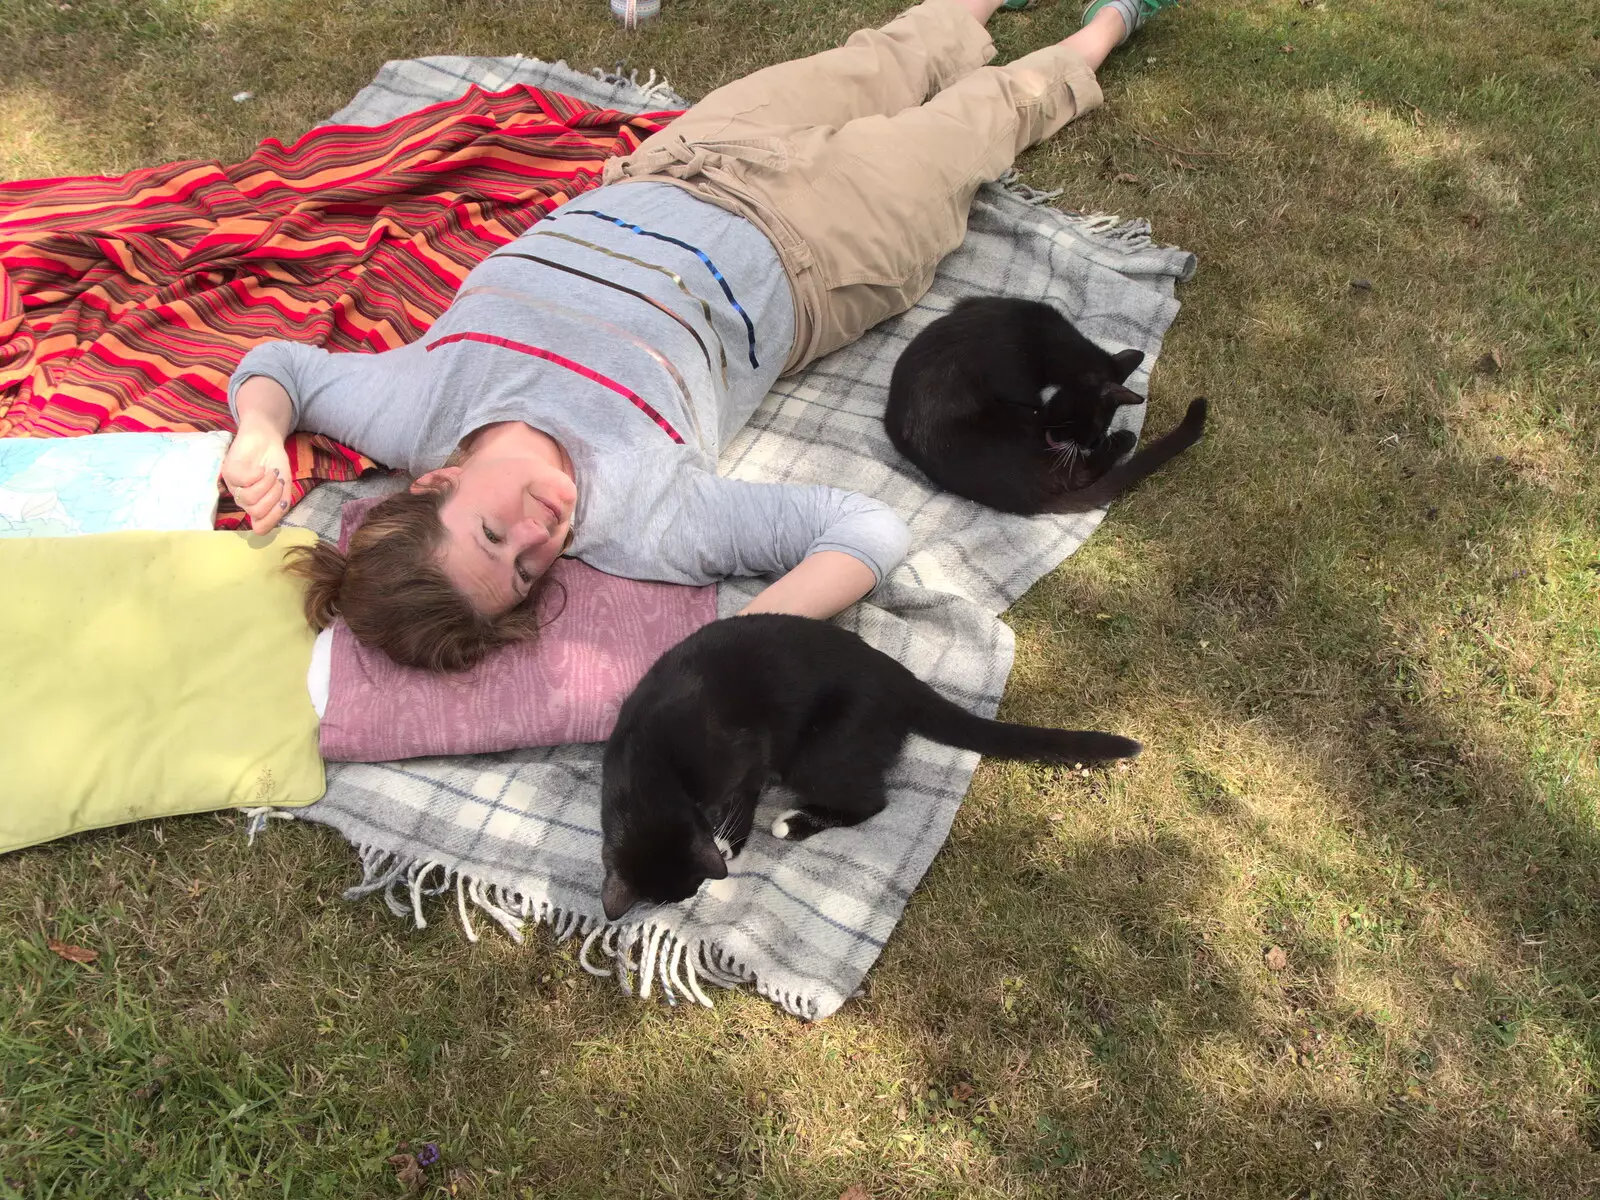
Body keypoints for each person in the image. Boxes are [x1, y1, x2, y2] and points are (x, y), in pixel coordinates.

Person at [223, 0, 1175, 671]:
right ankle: (1107, 26)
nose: (536, 537)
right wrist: (745, 635)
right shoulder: (641, 519)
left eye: (492, 530)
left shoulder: (414, 407)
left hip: (682, 163)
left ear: (435, 481)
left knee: (876, 61)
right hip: (824, 245)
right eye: (524, 572)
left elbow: (278, 368)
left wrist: (259, 433)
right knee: (980, 118)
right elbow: (864, 529)